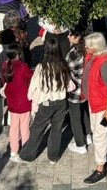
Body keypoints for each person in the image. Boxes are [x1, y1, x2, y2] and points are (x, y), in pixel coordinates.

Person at [19, 35, 72, 163]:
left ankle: (28, 155)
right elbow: (69, 85)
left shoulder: (41, 68)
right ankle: (53, 156)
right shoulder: (63, 65)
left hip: (46, 103)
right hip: (61, 102)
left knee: (37, 129)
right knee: (56, 130)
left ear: (46, 50)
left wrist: (30, 97)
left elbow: (33, 86)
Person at [81, 32, 107, 186]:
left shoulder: (105, 62)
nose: (85, 48)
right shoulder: (95, 56)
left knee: (99, 135)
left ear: (96, 47)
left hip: (103, 105)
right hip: (95, 101)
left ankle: (100, 169)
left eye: (88, 46)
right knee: (98, 130)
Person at [0, 46, 33, 162]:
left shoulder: (5, 66)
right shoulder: (23, 67)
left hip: (12, 102)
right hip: (23, 102)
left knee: (13, 127)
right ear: (18, 55)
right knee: (25, 127)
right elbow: (31, 78)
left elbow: (4, 81)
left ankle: (13, 151)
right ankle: (25, 150)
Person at [64, 26, 90, 155]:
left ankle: (80, 144)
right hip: (86, 87)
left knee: (74, 116)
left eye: (71, 35)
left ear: (78, 37)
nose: (68, 36)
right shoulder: (86, 49)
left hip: (76, 89)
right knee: (84, 110)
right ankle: (88, 134)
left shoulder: (74, 53)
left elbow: (66, 67)